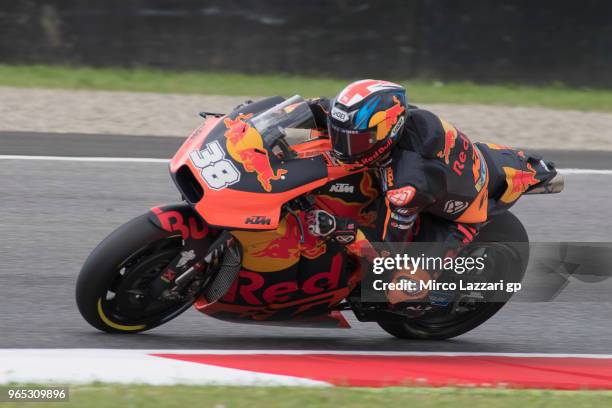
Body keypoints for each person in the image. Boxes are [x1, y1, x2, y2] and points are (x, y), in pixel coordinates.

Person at [304, 79, 556, 306]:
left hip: (456, 217)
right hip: (449, 171)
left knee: (399, 290)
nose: (342, 146)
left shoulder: (408, 184)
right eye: (339, 134)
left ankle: (439, 294)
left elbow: (387, 252)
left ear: (390, 131)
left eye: (354, 141)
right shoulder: (387, 118)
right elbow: (315, 109)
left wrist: (342, 229)